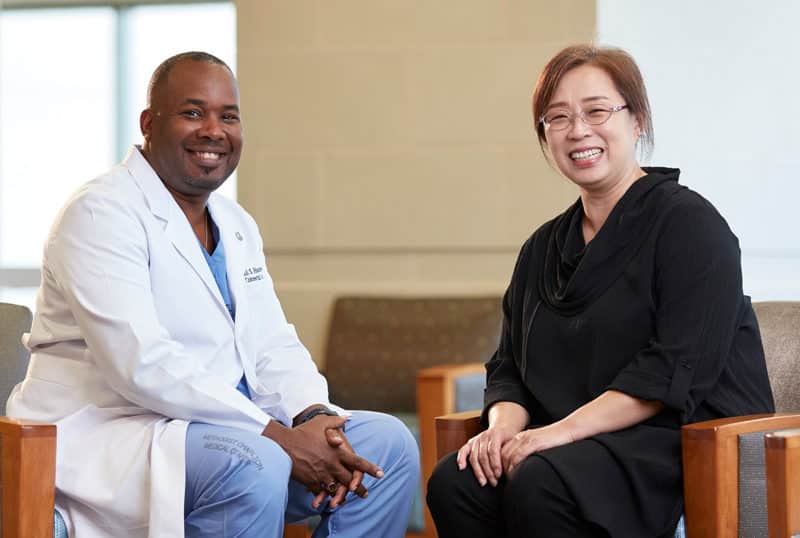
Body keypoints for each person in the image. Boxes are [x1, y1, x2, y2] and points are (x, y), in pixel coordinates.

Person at [7, 51, 419, 538]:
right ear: (148, 123)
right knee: (254, 462)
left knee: (388, 446)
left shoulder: (236, 225)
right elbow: (141, 363)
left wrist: (315, 417)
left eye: (229, 116)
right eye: (193, 112)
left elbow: (272, 343)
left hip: (221, 426)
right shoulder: (100, 214)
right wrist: (277, 436)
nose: (213, 131)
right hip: (112, 431)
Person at [426, 44, 774, 538]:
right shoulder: (541, 248)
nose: (579, 130)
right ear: (545, 135)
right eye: (558, 117)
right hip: (573, 444)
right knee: (456, 482)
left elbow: (671, 371)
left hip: (678, 442)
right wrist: (502, 428)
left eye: (596, 111)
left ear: (636, 121)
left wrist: (554, 435)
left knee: (541, 481)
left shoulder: (690, 226)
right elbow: (509, 367)